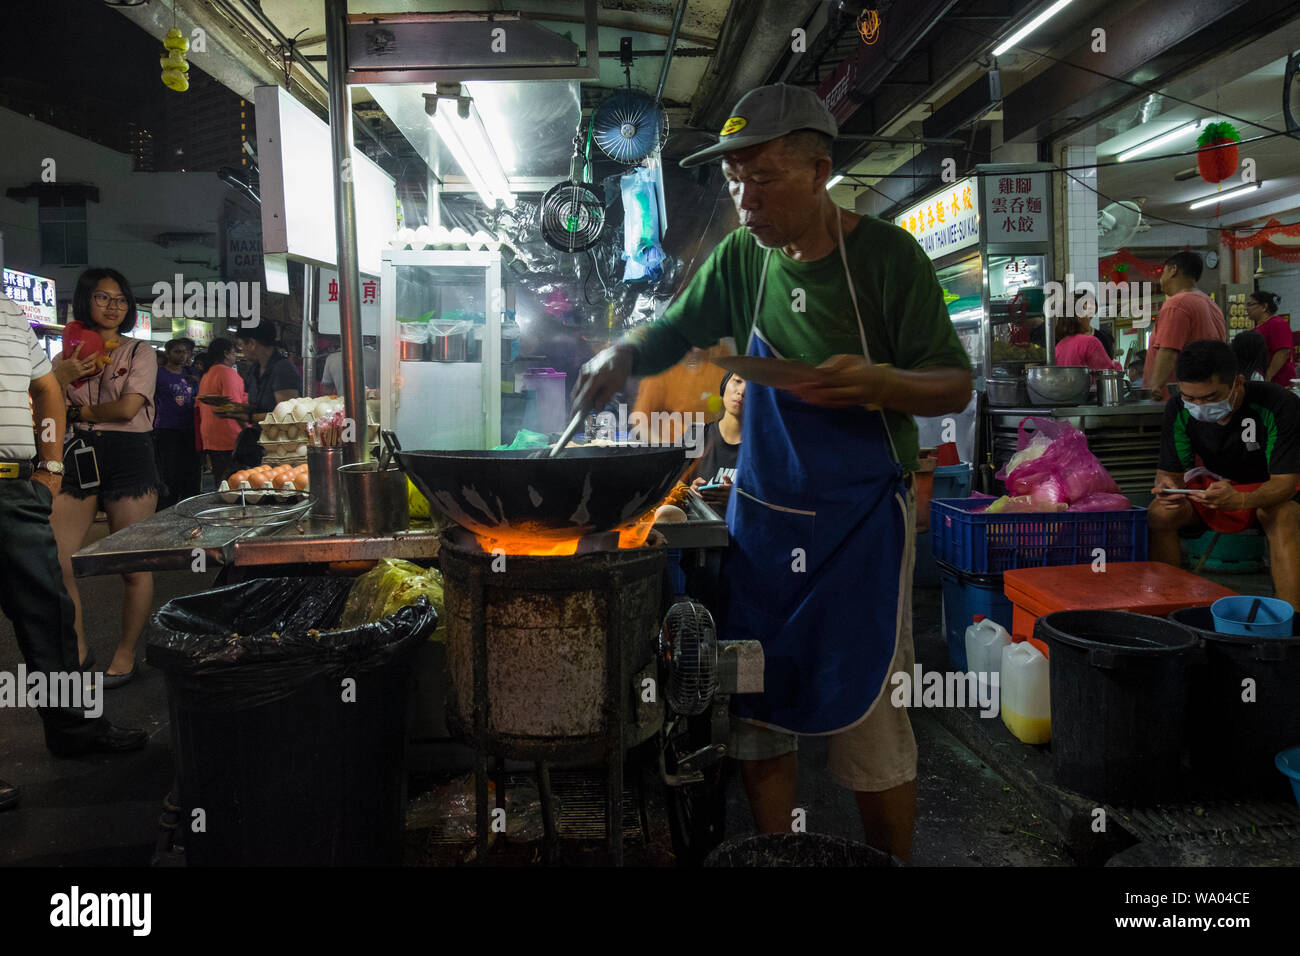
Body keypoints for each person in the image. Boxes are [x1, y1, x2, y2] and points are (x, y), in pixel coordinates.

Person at [573, 83, 972, 860]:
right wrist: (623, 352)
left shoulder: (888, 259)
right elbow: (677, 329)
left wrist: (879, 383)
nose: (744, 198)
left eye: (763, 178)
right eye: (733, 181)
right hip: (764, 519)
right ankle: (774, 855)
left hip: (860, 525)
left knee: (871, 715)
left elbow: (953, 383)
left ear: (820, 169)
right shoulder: (742, 259)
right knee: (759, 707)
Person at [0, 292, 147, 810]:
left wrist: (50, 468)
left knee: (49, 614)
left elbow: (45, 390)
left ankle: (74, 730)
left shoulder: (9, 312)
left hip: (17, 490)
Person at [49, 268, 160, 688]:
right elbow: (46, 407)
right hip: (78, 455)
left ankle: (126, 654)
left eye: (120, 299)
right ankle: (78, 651)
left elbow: (128, 409)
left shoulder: (140, 352)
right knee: (58, 560)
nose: (113, 306)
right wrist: (62, 379)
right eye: (102, 297)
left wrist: (77, 411)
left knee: (133, 564)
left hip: (130, 456)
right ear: (84, 301)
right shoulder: (64, 359)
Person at [1148, 339, 1300, 607]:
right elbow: (1169, 472)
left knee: (1281, 514)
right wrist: (1167, 488)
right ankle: (1168, 607)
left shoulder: (1279, 404)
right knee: (1160, 513)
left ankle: (1291, 620)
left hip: (1273, 493)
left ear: (1238, 383)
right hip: (1215, 491)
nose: (1199, 406)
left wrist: (1240, 501)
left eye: (1210, 398)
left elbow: (1285, 483)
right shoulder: (1178, 410)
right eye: (1190, 398)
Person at [1142, 251, 1227, 399]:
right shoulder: (1211, 304)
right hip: (1205, 394)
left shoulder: (1177, 304)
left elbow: (1168, 351)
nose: (1161, 278)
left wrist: (1155, 386)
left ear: (1173, 270)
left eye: (1163, 271)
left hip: (1178, 398)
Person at [632, 345, 731, 444]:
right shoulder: (662, 371)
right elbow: (641, 425)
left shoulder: (719, 353)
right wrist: (669, 450)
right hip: (677, 452)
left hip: (714, 452)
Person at [153, 337, 200, 509]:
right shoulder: (159, 373)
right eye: (177, 351)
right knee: (169, 472)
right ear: (168, 353)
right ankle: (167, 507)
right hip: (167, 428)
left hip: (189, 428)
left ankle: (189, 507)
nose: (182, 355)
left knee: (190, 471)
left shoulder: (191, 374)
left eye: (186, 352)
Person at [689, 371, 745, 512]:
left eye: (753, 386)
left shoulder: (766, 447)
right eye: (737, 381)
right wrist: (688, 493)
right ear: (724, 386)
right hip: (700, 530)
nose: (742, 391)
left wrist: (741, 501)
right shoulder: (697, 435)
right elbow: (669, 491)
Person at [197, 338, 248, 487]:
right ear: (226, 353)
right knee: (235, 484)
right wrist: (247, 430)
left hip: (211, 435)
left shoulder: (207, 374)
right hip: (229, 436)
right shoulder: (227, 373)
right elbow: (234, 407)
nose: (235, 356)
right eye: (234, 353)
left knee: (221, 482)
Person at [238, 321, 300, 416]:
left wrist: (250, 417)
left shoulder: (283, 369)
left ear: (251, 343)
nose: (241, 350)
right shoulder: (254, 370)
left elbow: (287, 416)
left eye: (241, 345)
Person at [1053, 292, 1122, 373]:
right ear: (1078, 316)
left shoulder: (1059, 346)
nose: (1089, 318)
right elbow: (1107, 373)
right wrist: (1116, 365)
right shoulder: (1090, 342)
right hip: (1089, 385)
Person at [1247, 291, 1295, 387]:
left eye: (1250, 304)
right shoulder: (1258, 328)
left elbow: (1283, 352)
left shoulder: (1277, 323)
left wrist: (1268, 376)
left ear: (1264, 307)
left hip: (1278, 380)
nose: (1247, 308)